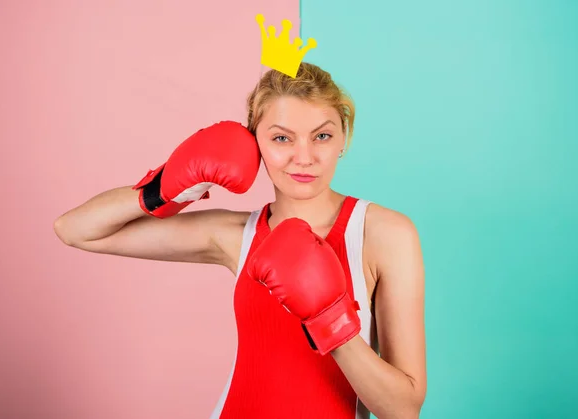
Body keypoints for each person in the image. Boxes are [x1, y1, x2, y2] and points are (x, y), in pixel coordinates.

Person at [54, 62, 427, 419]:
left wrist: (330, 322)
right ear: (255, 142)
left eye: (322, 136)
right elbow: (75, 229)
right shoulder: (236, 237)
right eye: (281, 138)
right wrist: (164, 188)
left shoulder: (383, 234)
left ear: (343, 137)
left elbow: (403, 410)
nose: (304, 157)